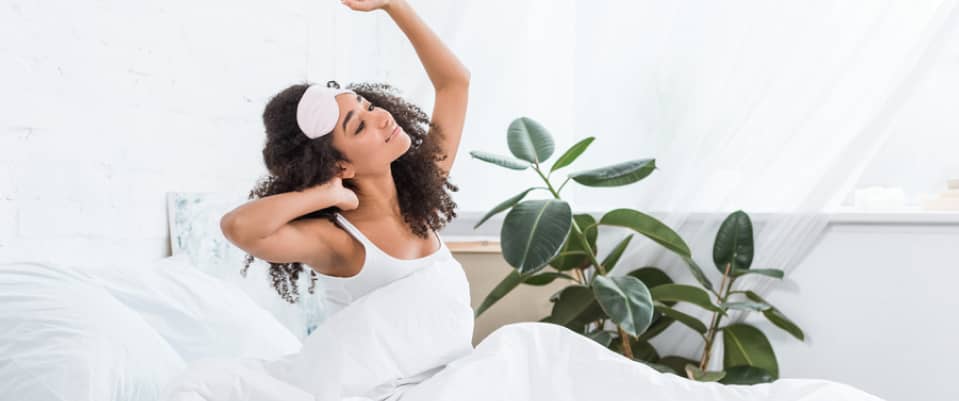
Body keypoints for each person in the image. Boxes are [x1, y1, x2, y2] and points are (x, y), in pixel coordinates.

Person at [220, 0, 470, 309]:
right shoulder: (340, 242)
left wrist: (393, 5)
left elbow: (454, 84)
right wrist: (326, 194)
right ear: (340, 166)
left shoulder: (418, 200)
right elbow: (238, 227)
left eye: (368, 106)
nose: (383, 118)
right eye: (360, 127)